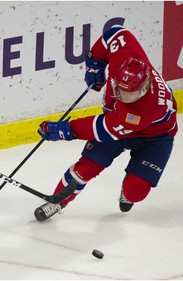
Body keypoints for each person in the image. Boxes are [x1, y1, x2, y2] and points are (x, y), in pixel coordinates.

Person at [34, 25, 178, 222]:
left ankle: (129, 190)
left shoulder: (145, 109)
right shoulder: (125, 58)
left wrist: (65, 130)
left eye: (130, 93)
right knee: (85, 168)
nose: (123, 96)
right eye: (120, 89)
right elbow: (115, 33)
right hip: (117, 126)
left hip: (156, 136)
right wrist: (95, 63)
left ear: (144, 87)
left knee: (136, 192)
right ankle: (58, 202)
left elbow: (103, 129)